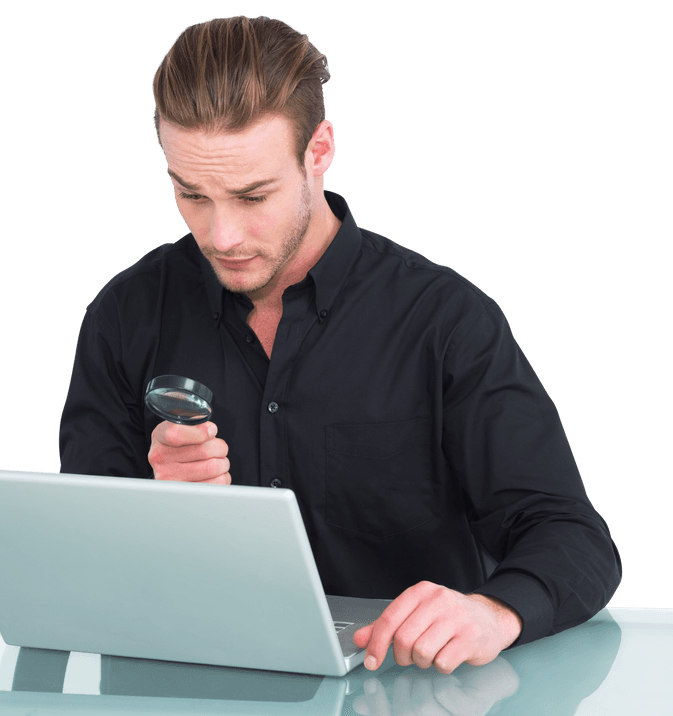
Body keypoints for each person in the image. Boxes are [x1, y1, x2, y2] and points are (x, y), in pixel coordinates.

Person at [58, 14, 623, 675]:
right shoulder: (124, 316)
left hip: (407, 694)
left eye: (253, 195)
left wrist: (495, 612)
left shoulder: (445, 321)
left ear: (319, 150)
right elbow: (81, 563)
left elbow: (573, 538)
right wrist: (157, 506)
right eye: (191, 194)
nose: (223, 236)